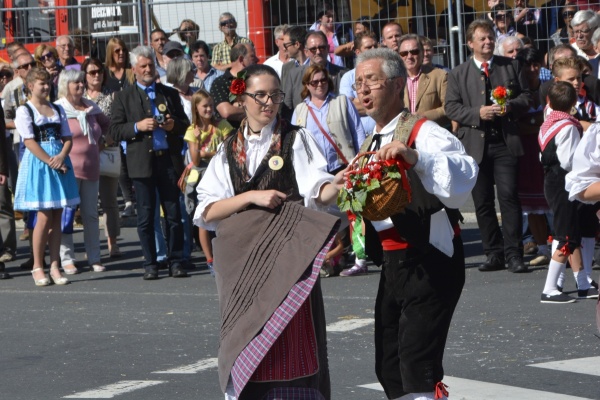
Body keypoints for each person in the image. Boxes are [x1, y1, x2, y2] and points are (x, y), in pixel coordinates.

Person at [193, 63, 345, 400]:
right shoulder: (227, 149)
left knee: (292, 345)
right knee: (244, 340)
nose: (268, 102)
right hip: (241, 266)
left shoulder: (295, 138)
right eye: (259, 95)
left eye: (274, 95)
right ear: (242, 99)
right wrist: (250, 196)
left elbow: (316, 189)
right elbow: (206, 210)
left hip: (288, 261)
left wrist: (336, 184)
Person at [353, 47, 478, 400]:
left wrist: (417, 158)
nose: (363, 89)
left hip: (430, 258)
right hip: (394, 263)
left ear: (396, 86)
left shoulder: (424, 132)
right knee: (389, 364)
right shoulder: (370, 141)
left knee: (416, 364)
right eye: (358, 83)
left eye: (372, 81)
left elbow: (464, 172)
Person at [445, 19, 533, 273]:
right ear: (470, 43)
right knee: (482, 202)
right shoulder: (458, 73)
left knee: (508, 198)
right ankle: (493, 253)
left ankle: (514, 254)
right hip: (475, 145)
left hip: (505, 143)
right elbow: (451, 106)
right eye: (482, 38)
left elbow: (527, 97)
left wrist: (510, 107)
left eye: (490, 38)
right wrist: (477, 113)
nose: (487, 42)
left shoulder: (511, 66)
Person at [109, 46, 190, 280]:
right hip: (142, 164)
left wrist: (173, 126)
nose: (147, 69)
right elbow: (115, 130)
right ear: (134, 69)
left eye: (151, 65)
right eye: (142, 66)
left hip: (167, 162)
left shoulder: (169, 94)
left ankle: (176, 261)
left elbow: (185, 125)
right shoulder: (124, 97)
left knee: (174, 214)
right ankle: (150, 263)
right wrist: (137, 126)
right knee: (146, 216)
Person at [14, 67, 79, 286]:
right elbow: (29, 141)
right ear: (30, 86)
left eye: (48, 82)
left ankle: (54, 264)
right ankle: (37, 265)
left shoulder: (57, 109)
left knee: (58, 214)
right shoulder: (26, 110)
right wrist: (50, 160)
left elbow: (67, 138)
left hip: (59, 162)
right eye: (41, 83)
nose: (46, 86)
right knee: (43, 216)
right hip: (40, 165)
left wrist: (61, 155)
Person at [539, 81, 599, 302]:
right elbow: (568, 161)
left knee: (567, 231)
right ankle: (550, 288)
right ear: (574, 103)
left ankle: (582, 283)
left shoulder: (548, 122)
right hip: (563, 182)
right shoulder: (567, 126)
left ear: (548, 101)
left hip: (551, 181)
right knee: (566, 235)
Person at [54, 69, 108, 274]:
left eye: (81, 82)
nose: (80, 85)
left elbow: (105, 124)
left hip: (91, 168)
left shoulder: (91, 106)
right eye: (75, 83)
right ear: (65, 85)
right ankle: (67, 259)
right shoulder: (59, 109)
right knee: (67, 214)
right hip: (68, 170)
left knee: (91, 215)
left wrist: (103, 142)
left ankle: (94, 257)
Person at [184, 90, 233, 276]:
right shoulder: (192, 131)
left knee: (226, 216)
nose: (209, 109)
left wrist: (207, 153)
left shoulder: (223, 125)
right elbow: (196, 161)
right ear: (196, 108)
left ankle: (227, 255)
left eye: (211, 105)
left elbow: (229, 151)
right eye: (204, 106)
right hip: (203, 176)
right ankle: (210, 259)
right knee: (203, 218)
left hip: (221, 175)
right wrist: (198, 141)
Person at [292, 64, 365, 174]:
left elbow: (358, 131)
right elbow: (294, 142)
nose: (320, 84)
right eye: (314, 82)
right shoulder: (299, 110)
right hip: (314, 171)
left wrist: (361, 159)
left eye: (323, 80)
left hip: (343, 166)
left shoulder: (342, 101)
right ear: (307, 85)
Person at [82, 58, 121, 258]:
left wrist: (102, 143)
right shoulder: (78, 98)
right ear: (84, 75)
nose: (96, 75)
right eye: (92, 72)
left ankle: (112, 242)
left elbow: (115, 125)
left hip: (106, 152)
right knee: (87, 204)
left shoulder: (112, 96)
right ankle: (91, 245)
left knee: (109, 201)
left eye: (99, 71)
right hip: (84, 156)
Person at [515, 48, 551, 266]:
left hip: (547, 150)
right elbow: (515, 123)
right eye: (527, 65)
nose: (532, 69)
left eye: (536, 64)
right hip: (527, 152)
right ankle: (543, 249)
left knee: (554, 203)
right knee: (533, 205)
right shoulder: (517, 92)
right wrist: (536, 121)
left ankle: (564, 247)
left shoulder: (548, 89)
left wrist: (532, 122)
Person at [281, 31, 348, 120]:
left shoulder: (342, 74)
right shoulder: (294, 75)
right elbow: (287, 109)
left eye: (322, 48)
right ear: (306, 52)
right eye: (313, 49)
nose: (318, 52)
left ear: (328, 48)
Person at [398, 34, 449, 127]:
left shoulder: (440, 76)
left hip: (431, 133)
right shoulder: (394, 80)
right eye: (404, 53)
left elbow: (448, 107)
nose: (409, 56)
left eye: (414, 52)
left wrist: (423, 116)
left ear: (422, 53)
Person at [210, 43, 258, 129]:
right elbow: (226, 112)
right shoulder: (220, 82)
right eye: (252, 57)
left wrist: (237, 106)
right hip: (230, 136)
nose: (257, 60)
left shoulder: (255, 81)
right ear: (241, 59)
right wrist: (254, 111)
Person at [339, 31, 378, 135]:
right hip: (360, 138)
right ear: (358, 52)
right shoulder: (348, 78)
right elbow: (349, 107)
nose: (374, 50)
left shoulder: (385, 73)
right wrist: (381, 106)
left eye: (375, 46)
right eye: (369, 47)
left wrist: (361, 102)